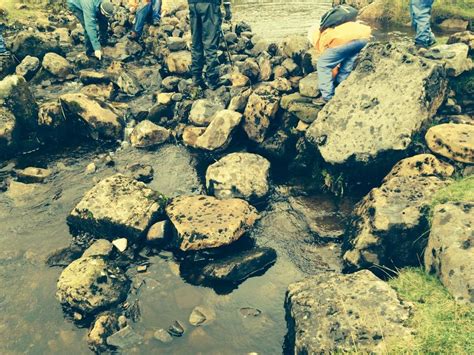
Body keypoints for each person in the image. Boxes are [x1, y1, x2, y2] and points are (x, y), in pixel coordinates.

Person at [311, 21, 371, 102]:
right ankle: (342, 85)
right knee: (348, 59)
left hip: (345, 41)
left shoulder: (322, 39)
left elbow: (332, 67)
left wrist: (330, 80)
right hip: (363, 37)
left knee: (323, 64)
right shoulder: (334, 28)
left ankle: (327, 97)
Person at [188, 0, 232, 90]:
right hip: (209, 5)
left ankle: (196, 77)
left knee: (196, 42)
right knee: (210, 43)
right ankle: (213, 79)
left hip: (193, 4)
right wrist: (227, 6)